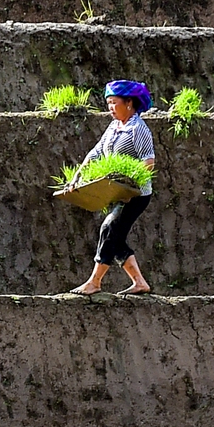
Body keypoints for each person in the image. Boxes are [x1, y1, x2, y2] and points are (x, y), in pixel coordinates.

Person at [69, 80, 158, 295]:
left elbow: (149, 162)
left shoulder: (138, 129)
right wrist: (78, 176)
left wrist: (131, 186)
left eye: (114, 102)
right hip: (118, 191)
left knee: (109, 229)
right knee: (115, 237)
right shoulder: (114, 127)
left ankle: (94, 282)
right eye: (108, 103)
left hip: (136, 195)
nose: (110, 107)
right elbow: (97, 152)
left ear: (129, 103)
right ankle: (140, 283)